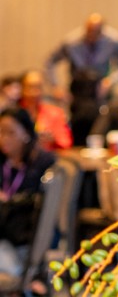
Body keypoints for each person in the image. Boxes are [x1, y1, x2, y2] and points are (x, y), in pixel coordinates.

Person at [44, 13, 118, 145]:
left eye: (97, 32)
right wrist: (56, 86)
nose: (92, 35)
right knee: (77, 130)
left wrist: (110, 80)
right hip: (78, 92)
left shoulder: (113, 41)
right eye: (90, 31)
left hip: (100, 91)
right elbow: (50, 62)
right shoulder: (71, 42)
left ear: (103, 30)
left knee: (101, 126)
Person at [0, 108, 56, 285]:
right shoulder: (3, 163)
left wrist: (8, 201)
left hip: (22, 241)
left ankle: (26, 282)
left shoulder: (43, 164)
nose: (4, 138)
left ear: (26, 133)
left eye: (10, 132)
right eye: (1, 132)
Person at [18, 71, 71, 152]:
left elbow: (66, 142)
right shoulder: (14, 114)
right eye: (30, 87)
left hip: (47, 156)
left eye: (38, 87)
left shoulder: (55, 113)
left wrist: (53, 139)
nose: (34, 92)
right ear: (22, 89)